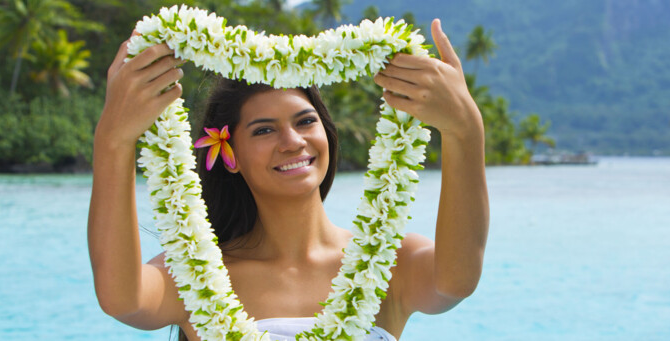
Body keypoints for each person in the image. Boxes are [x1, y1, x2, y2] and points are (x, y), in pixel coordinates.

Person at [87, 19, 489, 341]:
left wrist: (465, 129)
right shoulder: (194, 271)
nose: (293, 141)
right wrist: (113, 138)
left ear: (326, 134)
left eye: (305, 121)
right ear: (230, 157)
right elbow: (121, 299)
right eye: (263, 130)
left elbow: (456, 281)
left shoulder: (390, 262)